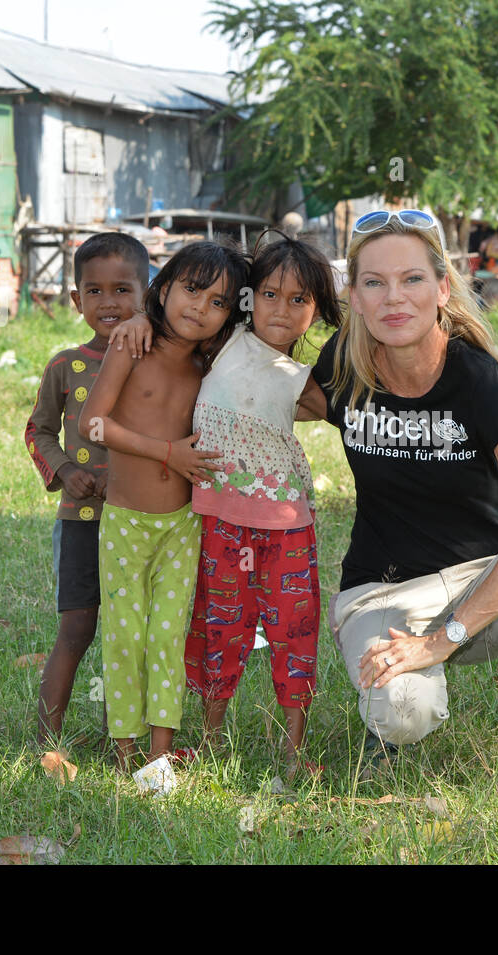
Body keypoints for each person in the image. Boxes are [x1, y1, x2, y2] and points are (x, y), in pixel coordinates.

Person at [297, 209, 498, 791]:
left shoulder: (479, 381)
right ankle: (387, 735)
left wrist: (439, 641)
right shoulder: (344, 365)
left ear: (442, 288)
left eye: (412, 279)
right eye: (374, 283)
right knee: (406, 712)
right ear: (353, 296)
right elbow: (265, 391)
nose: (393, 298)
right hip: (381, 589)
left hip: (481, 581)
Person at [108, 231, 342, 781]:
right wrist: (140, 316)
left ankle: (292, 751)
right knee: (219, 629)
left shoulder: (304, 382)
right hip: (219, 524)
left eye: (300, 300)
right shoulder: (220, 344)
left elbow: (347, 403)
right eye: (269, 295)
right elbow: (180, 313)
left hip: (287, 526)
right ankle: (211, 741)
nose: (281, 311)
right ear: (247, 298)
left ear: (316, 311)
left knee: (294, 631)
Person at [79, 240, 246, 773]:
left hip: (184, 524)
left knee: (168, 635)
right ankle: (125, 749)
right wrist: (168, 453)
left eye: (218, 302)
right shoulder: (131, 346)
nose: (200, 307)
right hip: (126, 521)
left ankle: (160, 754)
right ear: (163, 288)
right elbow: (93, 425)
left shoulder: (210, 366)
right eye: (192, 290)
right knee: (126, 633)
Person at [25, 231, 149, 749]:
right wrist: (62, 470)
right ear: (76, 301)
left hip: (139, 519)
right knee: (76, 630)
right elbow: (38, 431)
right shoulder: (66, 365)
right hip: (80, 522)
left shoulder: (155, 359)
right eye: (94, 292)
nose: (109, 302)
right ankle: (47, 737)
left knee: (131, 634)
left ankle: (119, 734)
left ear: (147, 295)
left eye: (123, 289)